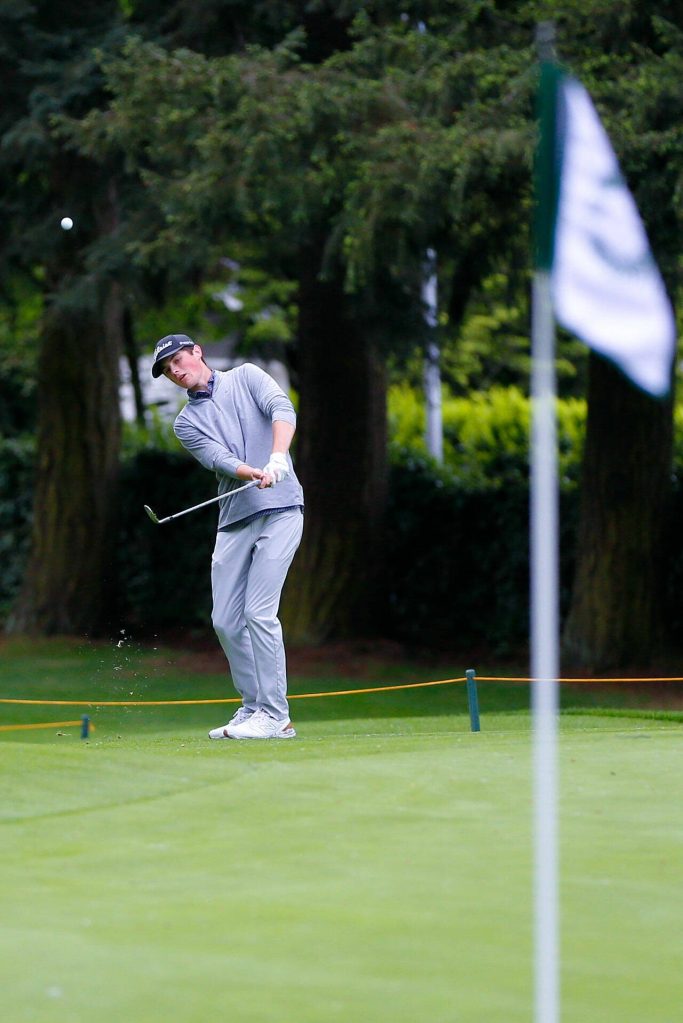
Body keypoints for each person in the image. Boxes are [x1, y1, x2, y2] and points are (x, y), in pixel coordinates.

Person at [151, 333, 304, 740]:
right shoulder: (185, 422)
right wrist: (250, 472)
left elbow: (281, 408)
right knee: (224, 620)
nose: (176, 372)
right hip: (235, 518)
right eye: (168, 371)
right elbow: (217, 458)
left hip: (282, 511)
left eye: (178, 361)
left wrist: (277, 457)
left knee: (258, 612)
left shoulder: (247, 376)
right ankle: (254, 706)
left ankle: (276, 716)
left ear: (197, 352)